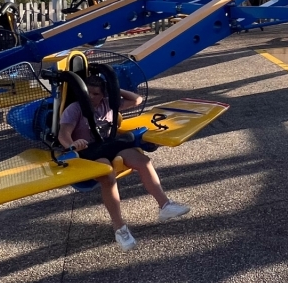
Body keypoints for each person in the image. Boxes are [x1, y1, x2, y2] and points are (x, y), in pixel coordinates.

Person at [57, 75, 189, 251]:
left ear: (103, 94)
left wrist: (112, 89)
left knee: (143, 160)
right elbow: (63, 134)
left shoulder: (108, 103)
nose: (90, 97)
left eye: (95, 93)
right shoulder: (75, 109)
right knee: (107, 172)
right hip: (88, 152)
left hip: (109, 145)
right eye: (87, 92)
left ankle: (165, 206)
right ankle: (120, 229)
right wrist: (71, 145)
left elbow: (137, 100)